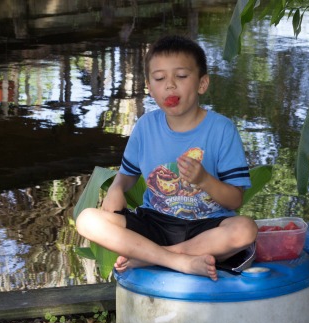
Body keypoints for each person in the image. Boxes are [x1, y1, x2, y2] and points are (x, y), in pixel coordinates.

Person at [76, 35, 257, 281]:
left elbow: (235, 200)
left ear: (202, 83)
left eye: (181, 76)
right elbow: (127, 176)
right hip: (154, 224)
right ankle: (176, 260)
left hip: (207, 226)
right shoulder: (145, 126)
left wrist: (204, 179)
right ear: (150, 88)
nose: (170, 85)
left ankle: (150, 257)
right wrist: (117, 188)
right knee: (87, 220)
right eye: (160, 78)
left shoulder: (221, 129)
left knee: (245, 229)